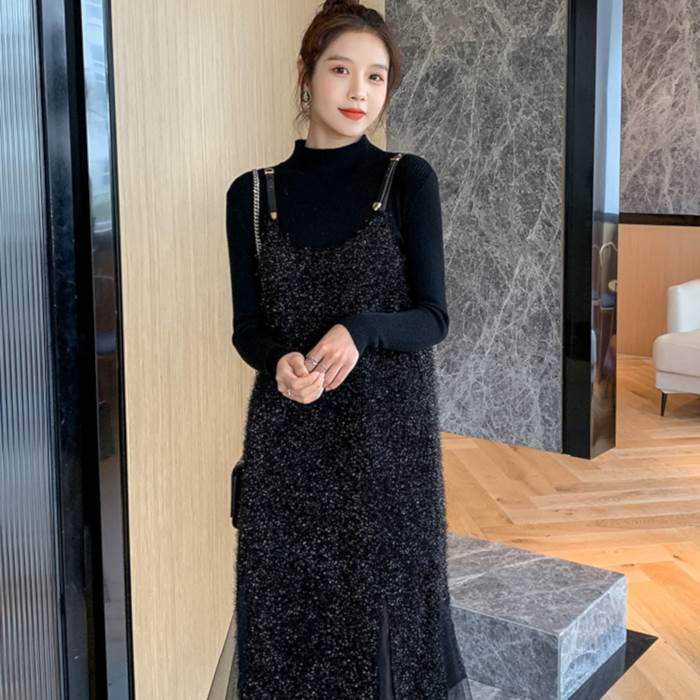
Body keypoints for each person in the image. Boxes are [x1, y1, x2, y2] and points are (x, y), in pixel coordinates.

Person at [223, 1, 473, 697]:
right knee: (287, 616)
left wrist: (361, 328)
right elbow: (247, 327)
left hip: (389, 444)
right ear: (306, 74)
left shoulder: (408, 180)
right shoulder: (250, 196)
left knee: (388, 624)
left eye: (376, 76)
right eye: (341, 70)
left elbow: (433, 318)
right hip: (289, 442)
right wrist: (278, 360)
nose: (359, 91)